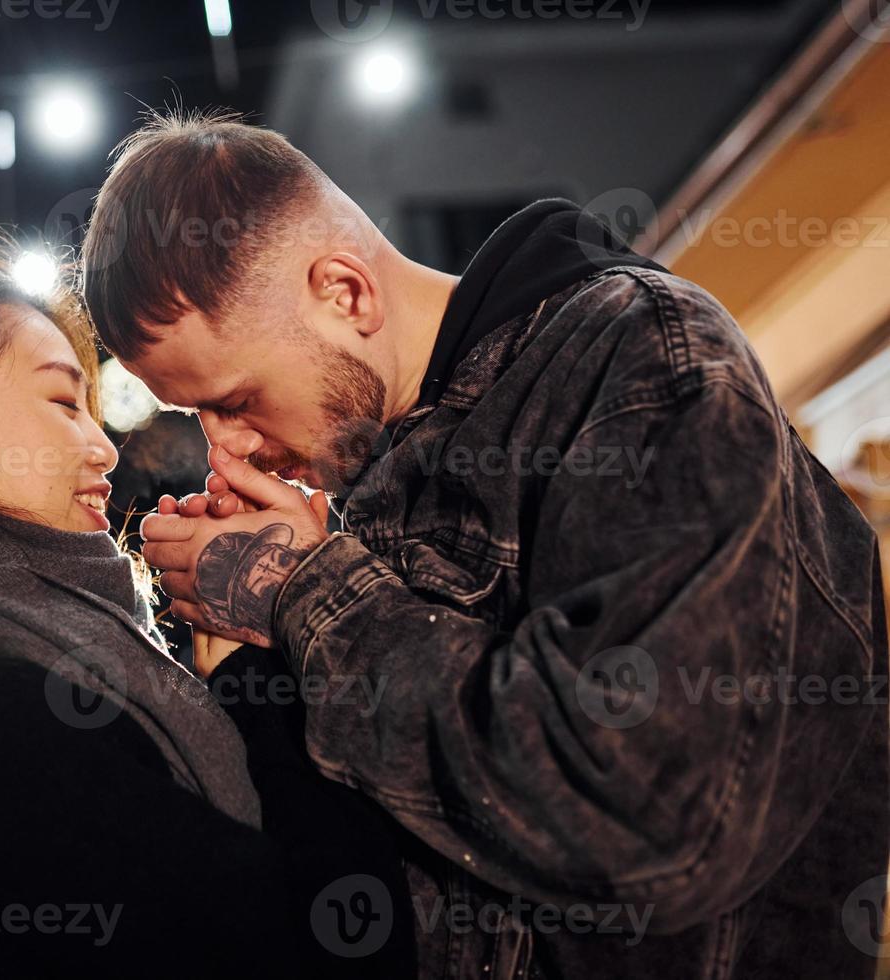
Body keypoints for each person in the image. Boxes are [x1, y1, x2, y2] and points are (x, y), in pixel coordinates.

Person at [82, 110, 889, 978]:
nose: (226, 448)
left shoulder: (638, 359)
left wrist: (305, 593)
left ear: (345, 291)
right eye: (197, 416)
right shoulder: (383, 486)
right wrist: (260, 651)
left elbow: (652, 811)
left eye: (235, 402)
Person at [0, 240, 413, 978]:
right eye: (63, 402)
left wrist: (237, 654)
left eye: (93, 408)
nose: (105, 449)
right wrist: (263, 656)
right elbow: (339, 942)